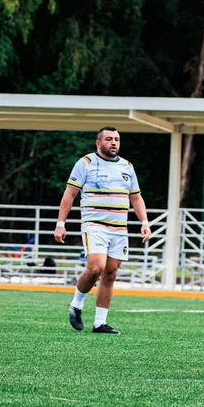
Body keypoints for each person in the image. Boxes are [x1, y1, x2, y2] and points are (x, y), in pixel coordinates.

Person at [55, 126, 152, 334]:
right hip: (94, 226)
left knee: (110, 273)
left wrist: (145, 222)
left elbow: (135, 197)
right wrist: (60, 224)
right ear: (98, 143)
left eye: (117, 139)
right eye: (109, 139)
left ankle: (100, 322)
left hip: (119, 228)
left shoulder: (127, 166)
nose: (114, 142)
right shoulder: (86, 163)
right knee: (96, 267)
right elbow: (70, 194)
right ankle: (76, 304)